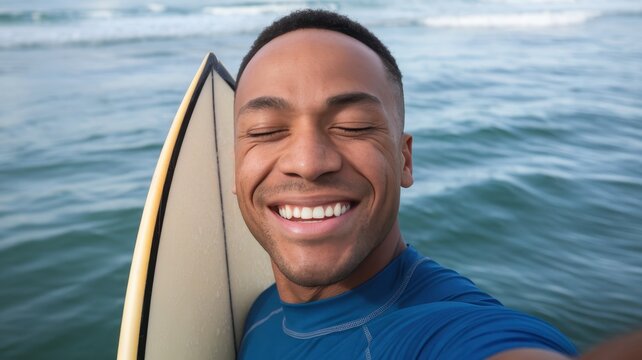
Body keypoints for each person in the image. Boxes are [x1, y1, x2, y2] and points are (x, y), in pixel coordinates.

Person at [232, 9, 578, 359]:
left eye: (353, 126)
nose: (307, 163)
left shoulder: (444, 331)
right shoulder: (259, 308)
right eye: (266, 131)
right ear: (234, 169)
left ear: (405, 160)